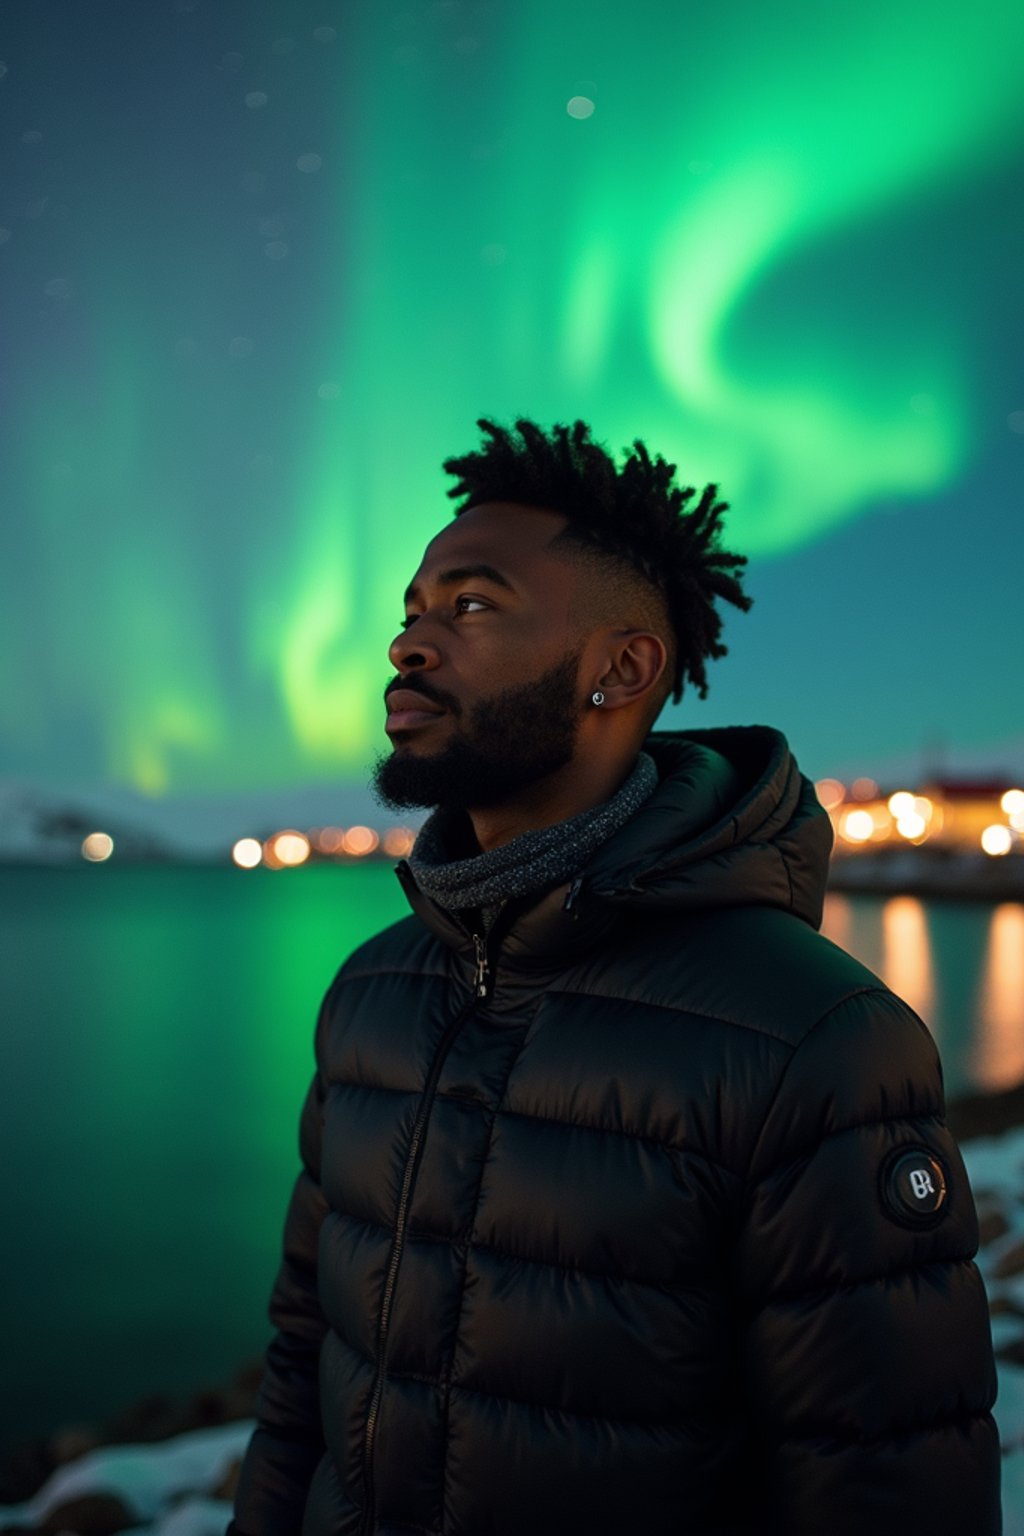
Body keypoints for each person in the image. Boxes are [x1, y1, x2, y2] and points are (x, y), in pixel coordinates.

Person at [229, 419, 1000, 1536]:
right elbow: (303, 1363)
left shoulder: (813, 1038)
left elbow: (886, 1478)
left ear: (621, 668)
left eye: (472, 605)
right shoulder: (370, 995)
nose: (407, 643)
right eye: (410, 610)